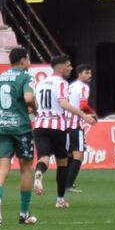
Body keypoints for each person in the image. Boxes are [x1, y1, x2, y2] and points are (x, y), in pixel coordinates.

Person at [0, 47, 37, 226]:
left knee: (3, 169)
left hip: (2, 128)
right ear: (22, 61)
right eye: (28, 59)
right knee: (26, 169)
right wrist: (34, 107)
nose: (29, 63)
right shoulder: (26, 77)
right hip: (21, 128)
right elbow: (28, 98)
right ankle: (24, 214)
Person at [30, 54, 73, 209]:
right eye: (68, 65)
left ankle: (39, 172)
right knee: (62, 161)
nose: (71, 68)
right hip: (57, 125)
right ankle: (60, 200)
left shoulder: (40, 83)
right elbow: (64, 104)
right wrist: (83, 115)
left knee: (44, 157)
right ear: (60, 67)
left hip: (39, 125)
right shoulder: (62, 83)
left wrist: (38, 112)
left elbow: (34, 104)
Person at [59, 62, 98, 194]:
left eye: (90, 73)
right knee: (78, 156)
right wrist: (92, 113)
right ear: (80, 74)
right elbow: (83, 105)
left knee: (70, 155)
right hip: (75, 125)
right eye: (87, 73)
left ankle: (65, 183)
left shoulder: (70, 86)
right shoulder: (83, 87)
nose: (90, 75)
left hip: (65, 124)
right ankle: (68, 185)